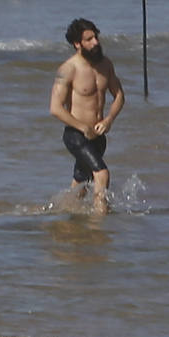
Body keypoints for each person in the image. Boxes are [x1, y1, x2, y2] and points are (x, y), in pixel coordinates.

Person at [48, 18, 125, 213]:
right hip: (76, 135)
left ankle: (60, 214)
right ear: (77, 44)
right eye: (89, 39)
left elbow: (119, 96)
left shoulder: (106, 65)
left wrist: (109, 120)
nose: (96, 42)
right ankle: (100, 222)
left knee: (81, 185)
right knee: (102, 174)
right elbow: (55, 108)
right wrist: (83, 127)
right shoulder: (68, 69)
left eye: (96, 37)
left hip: (99, 138)